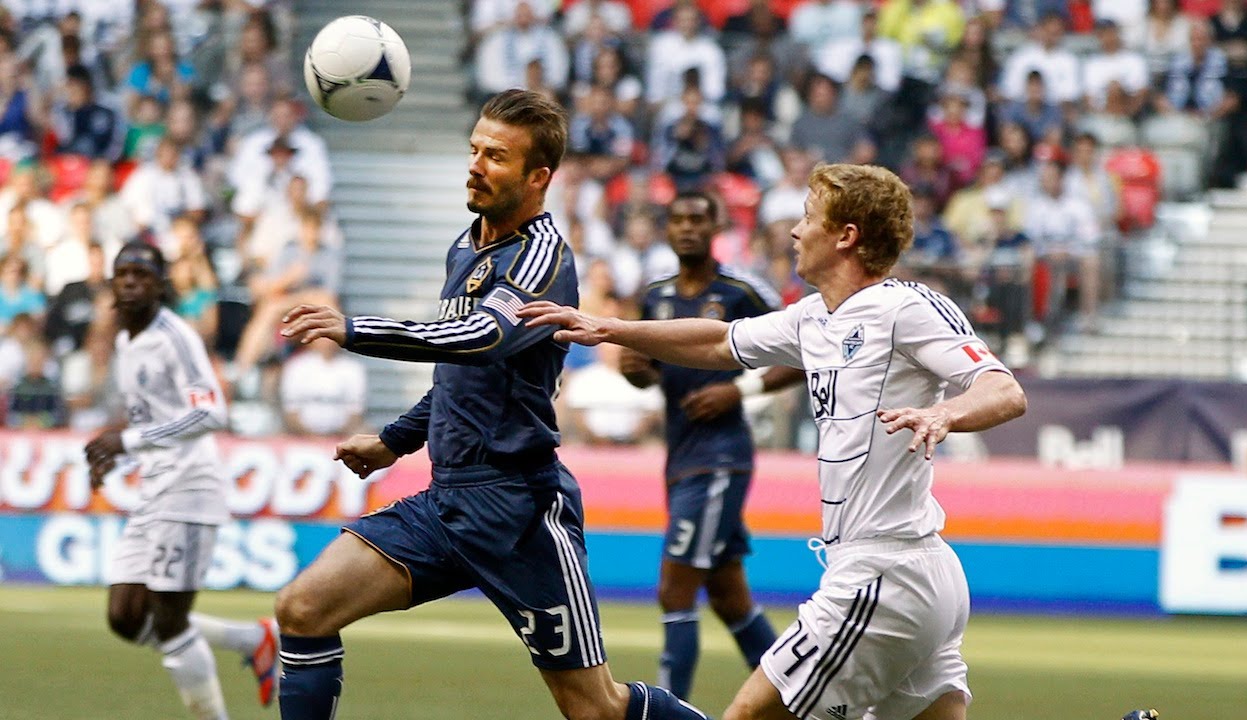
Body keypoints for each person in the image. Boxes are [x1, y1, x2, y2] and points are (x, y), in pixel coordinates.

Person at [520, 163, 1028, 720]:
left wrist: (944, 414)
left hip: (884, 575)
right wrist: (610, 328)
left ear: (845, 236)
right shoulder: (813, 316)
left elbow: (1002, 389)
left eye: (808, 217)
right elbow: (717, 342)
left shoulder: (906, 307)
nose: (793, 230)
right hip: (904, 575)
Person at [273, 89, 712, 720]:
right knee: (303, 608)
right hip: (446, 500)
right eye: (474, 150)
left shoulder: (542, 258)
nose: (476, 165)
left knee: (595, 708)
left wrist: (355, 329)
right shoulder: (465, 246)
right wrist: (395, 441)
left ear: (539, 178)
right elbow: (460, 374)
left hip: (519, 512)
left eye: (496, 156)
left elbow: (481, 340)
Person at [82, 242, 281, 720]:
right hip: (153, 490)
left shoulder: (175, 336)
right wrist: (119, 455)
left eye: (142, 275)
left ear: (161, 285)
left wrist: (126, 442)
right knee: (125, 618)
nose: (131, 282)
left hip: (190, 489)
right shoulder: (129, 341)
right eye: (123, 273)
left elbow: (211, 411)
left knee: (170, 623)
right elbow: (154, 419)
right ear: (112, 283)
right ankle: (256, 640)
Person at [624, 191, 804, 700]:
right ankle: (796, 700)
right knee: (728, 597)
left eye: (697, 220)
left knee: (674, 591)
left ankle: (668, 711)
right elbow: (646, 373)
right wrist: (636, 370)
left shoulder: (740, 291)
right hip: (681, 456)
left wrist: (740, 389)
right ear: (667, 229)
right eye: (677, 220)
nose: (687, 229)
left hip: (720, 458)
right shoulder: (655, 297)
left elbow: (809, 347)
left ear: (715, 227)